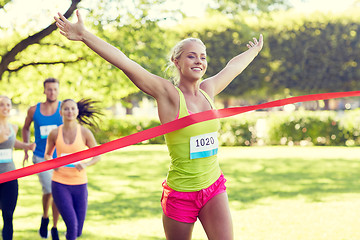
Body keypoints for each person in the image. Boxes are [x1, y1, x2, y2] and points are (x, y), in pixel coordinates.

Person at [54, 10, 263, 240]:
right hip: (181, 193)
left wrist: (253, 52)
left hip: (213, 187)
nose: (199, 61)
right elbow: (126, 63)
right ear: (177, 61)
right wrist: (84, 35)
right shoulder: (168, 95)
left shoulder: (208, 91)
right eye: (191, 56)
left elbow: (233, 67)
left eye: (203, 57)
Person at [44, 98, 101, 240]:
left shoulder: (85, 133)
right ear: (61, 112)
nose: (70, 111)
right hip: (60, 183)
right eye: (66, 109)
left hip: (80, 185)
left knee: (78, 230)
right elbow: (47, 154)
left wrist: (86, 164)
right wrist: (53, 163)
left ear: (77, 111)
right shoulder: (55, 133)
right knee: (72, 224)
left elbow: (97, 155)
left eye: (73, 108)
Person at [22, 78, 62, 239]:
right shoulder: (34, 110)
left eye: (55, 89)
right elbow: (25, 128)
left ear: (58, 90)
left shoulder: (63, 109)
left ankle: (53, 226)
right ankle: (46, 217)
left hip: (60, 157)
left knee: (56, 192)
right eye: (49, 89)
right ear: (44, 90)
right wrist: (26, 147)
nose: (52, 92)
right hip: (40, 156)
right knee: (51, 190)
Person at [0, 96, 36, 240]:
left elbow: (12, 142)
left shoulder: (13, 127)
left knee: (8, 214)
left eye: (8, 105)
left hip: (10, 175)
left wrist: (26, 146)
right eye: (2, 105)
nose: (6, 108)